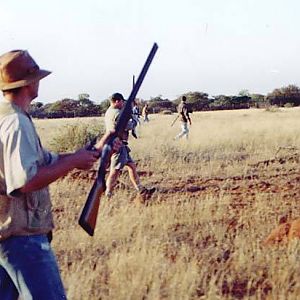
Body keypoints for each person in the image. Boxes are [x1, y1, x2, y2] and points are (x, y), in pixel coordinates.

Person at [0, 50, 120, 299]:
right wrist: (74, 161)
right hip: (22, 239)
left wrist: (87, 154)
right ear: (28, 83)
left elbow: (46, 161)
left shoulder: (10, 117)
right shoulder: (16, 123)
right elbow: (25, 180)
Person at [104, 92, 155, 199]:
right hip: (118, 145)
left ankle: (141, 190)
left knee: (131, 166)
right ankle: (108, 193)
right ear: (117, 101)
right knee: (115, 170)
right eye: (122, 101)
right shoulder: (117, 113)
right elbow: (128, 126)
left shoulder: (109, 111)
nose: (123, 103)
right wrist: (134, 120)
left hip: (120, 144)